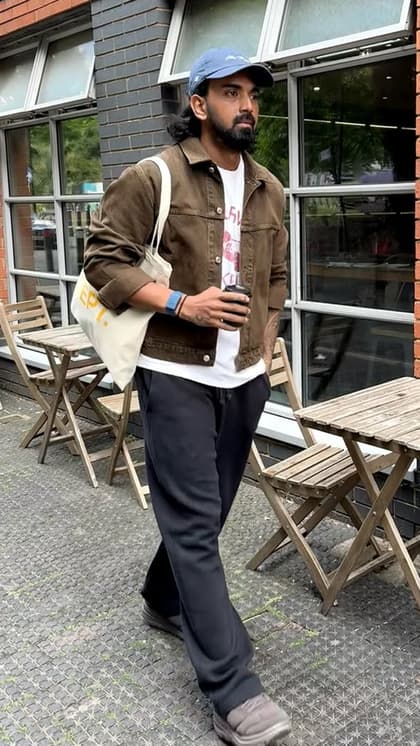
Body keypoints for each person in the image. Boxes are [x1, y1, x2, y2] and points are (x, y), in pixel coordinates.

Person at [84, 47, 290, 746]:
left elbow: (276, 277)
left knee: (212, 511)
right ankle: (231, 688)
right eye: (230, 92)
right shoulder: (154, 176)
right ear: (199, 104)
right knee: (197, 523)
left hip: (244, 379)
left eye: (252, 94)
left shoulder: (269, 187)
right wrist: (183, 304)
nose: (246, 105)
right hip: (175, 374)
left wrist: (266, 342)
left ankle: (162, 598)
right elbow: (103, 260)